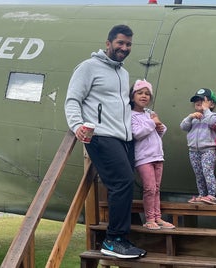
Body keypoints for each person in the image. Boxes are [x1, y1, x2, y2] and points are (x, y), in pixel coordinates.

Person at [65, 24, 146, 259]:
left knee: (123, 184)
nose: (124, 48)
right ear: (108, 43)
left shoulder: (123, 72)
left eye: (128, 44)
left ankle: (121, 236)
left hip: (123, 137)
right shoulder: (89, 67)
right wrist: (77, 125)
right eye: (120, 43)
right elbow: (73, 99)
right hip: (100, 135)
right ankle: (113, 240)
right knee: (122, 181)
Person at [130, 79, 175, 230]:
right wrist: (152, 123)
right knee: (149, 188)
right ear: (132, 96)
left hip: (157, 156)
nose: (144, 96)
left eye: (147, 94)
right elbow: (137, 134)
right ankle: (149, 219)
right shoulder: (131, 116)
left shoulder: (149, 113)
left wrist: (160, 127)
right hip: (143, 158)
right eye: (140, 93)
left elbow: (157, 132)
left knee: (156, 188)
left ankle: (158, 217)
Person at [180, 88, 216, 205]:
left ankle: (211, 195)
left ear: (211, 103)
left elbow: (211, 122)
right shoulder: (193, 118)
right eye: (196, 100)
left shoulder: (213, 116)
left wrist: (206, 110)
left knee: (207, 172)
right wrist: (190, 117)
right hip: (193, 151)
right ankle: (202, 195)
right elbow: (183, 127)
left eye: (202, 100)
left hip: (208, 150)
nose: (198, 102)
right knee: (198, 174)